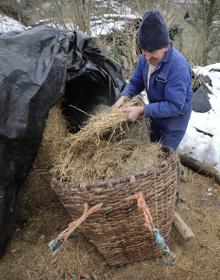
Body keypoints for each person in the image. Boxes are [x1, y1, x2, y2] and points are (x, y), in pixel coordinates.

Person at [113, 10, 193, 151]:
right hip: (156, 112)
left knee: (165, 155)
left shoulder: (178, 67)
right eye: (144, 53)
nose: (148, 58)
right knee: (152, 147)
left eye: (153, 54)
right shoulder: (145, 58)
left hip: (174, 121)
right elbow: (135, 82)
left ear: (166, 46)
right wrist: (124, 97)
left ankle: (171, 171)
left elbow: (174, 106)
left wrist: (142, 110)